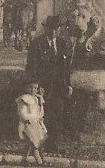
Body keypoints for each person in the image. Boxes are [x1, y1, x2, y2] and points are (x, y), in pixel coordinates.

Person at [26, 15, 72, 148]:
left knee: (57, 113)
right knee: (42, 114)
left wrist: (68, 84)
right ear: (45, 29)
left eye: (56, 29)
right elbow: (31, 65)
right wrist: (36, 84)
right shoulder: (37, 44)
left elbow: (66, 67)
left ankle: (54, 143)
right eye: (50, 29)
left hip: (58, 85)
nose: (53, 32)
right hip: (43, 86)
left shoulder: (63, 43)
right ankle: (40, 143)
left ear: (59, 30)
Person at [15, 80, 48, 166]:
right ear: (26, 88)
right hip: (26, 123)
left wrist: (41, 105)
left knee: (39, 139)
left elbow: (40, 113)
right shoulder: (24, 98)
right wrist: (27, 120)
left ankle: (25, 159)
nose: (33, 90)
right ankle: (39, 161)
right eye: (31, 87)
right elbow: (21, 112)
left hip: (36, 123)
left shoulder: (38, 99)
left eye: (35, 88)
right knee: (34, 140)